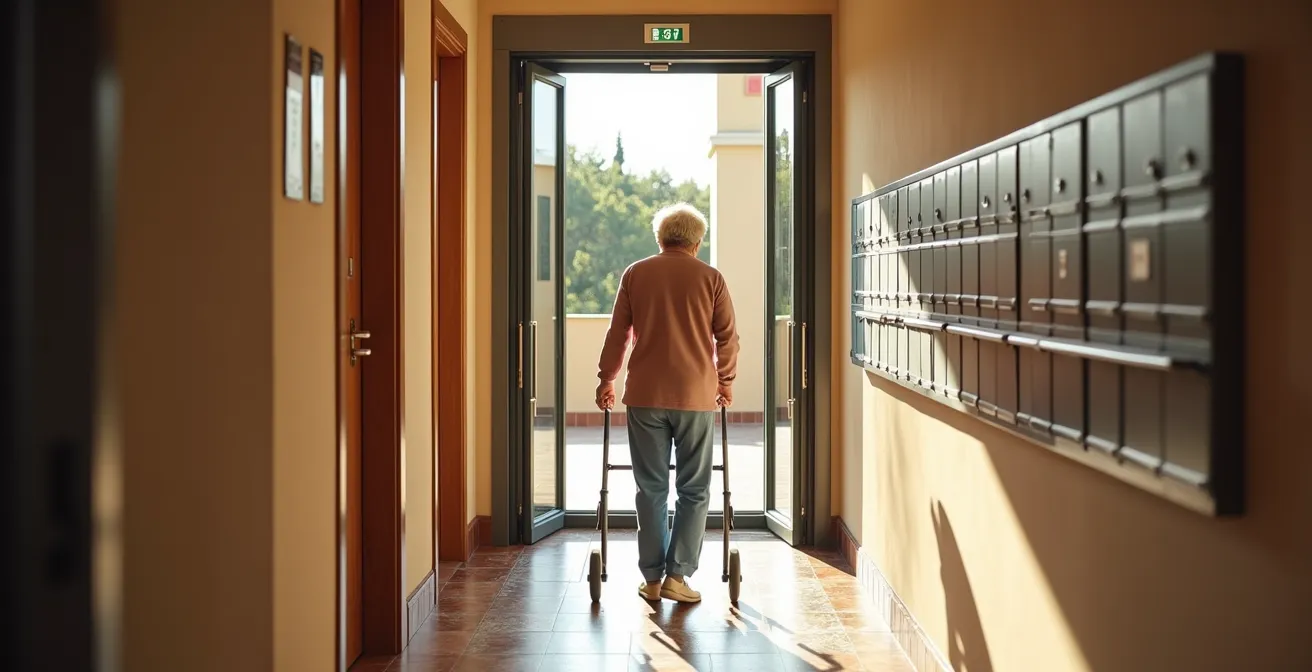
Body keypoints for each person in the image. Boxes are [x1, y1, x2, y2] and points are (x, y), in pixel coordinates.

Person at [595, 202, 740, 604]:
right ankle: (679, 576)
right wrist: (724, 382)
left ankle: (653, 579)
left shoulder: (636, 274)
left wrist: (607, 379)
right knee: (694, 488)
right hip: (696, 396)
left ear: (660, 239)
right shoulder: (711, 277)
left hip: (645, 396)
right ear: (697, 242)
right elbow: (727, 338)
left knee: (651, 488)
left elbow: (618, 334)